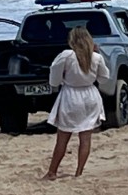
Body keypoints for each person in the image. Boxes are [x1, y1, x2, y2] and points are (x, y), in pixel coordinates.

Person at [42, 27, 109, 180]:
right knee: (85, 138)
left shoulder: (66, 56)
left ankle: (52, 171)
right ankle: (79, 172)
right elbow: (104, 78)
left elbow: (54, 80)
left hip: (71, 96)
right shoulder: (96, 57)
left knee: (63, 137)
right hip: (90, 96)